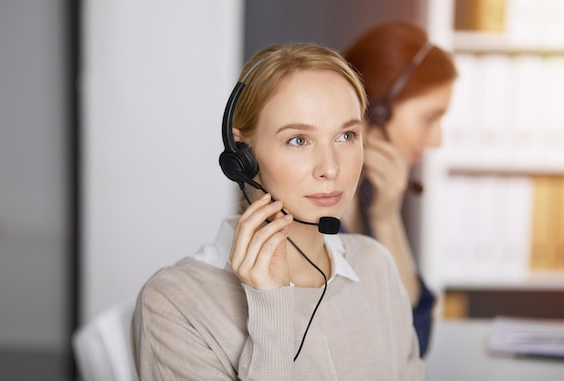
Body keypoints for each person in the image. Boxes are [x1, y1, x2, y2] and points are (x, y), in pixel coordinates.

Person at [131, 43, 424, 380]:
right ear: (242, 157)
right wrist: (269, 305)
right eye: (298, 140)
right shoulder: (174, 303)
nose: (330, 168)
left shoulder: (375, 267)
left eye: (346, 135)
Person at [341, 20, 458, 356]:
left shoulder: (367, 195)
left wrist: (386, 216)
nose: (437, 140)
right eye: (430, 118)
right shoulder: (311, 207)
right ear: (377, 110)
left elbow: (415, 339)